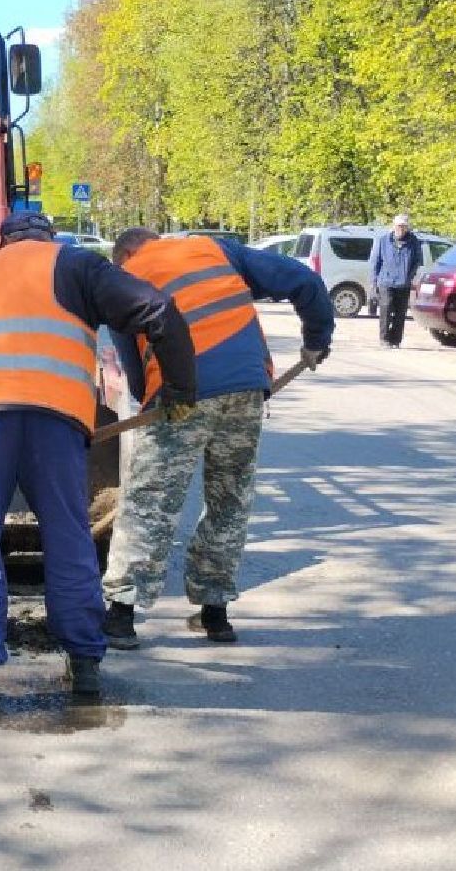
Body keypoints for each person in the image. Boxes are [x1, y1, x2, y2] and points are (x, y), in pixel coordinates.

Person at [0, 211, 197, 712]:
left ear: (5, 241)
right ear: (48, 238)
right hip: (57, 419)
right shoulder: (77, 265)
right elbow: (158, 310)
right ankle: (84, 664)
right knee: (68, 535)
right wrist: (181, 390)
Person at [102, 229, 333, 650]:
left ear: (125, 255)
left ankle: (120, 618)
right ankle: (215, 615)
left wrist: (150, 404)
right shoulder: (214, 249)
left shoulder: (125, 277)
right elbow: (305, 281)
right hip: (246, 388)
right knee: (229, 500)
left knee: (151, 501)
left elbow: (135, 372)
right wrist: (317, 340)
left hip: (181, 395)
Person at [371, 214, 423, 348]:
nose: (401, 229)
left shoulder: (414, 241)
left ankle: (396, 340)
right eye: (399, 226)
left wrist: (410, 276)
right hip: (385, 281)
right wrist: (374, 282)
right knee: (386, 308)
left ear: (407, 227)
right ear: (394, 226)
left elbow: (417, 261)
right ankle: (384, 339)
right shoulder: (383, 241)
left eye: (404, 226)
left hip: (404, 283)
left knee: (400, 313)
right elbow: (375, 262)